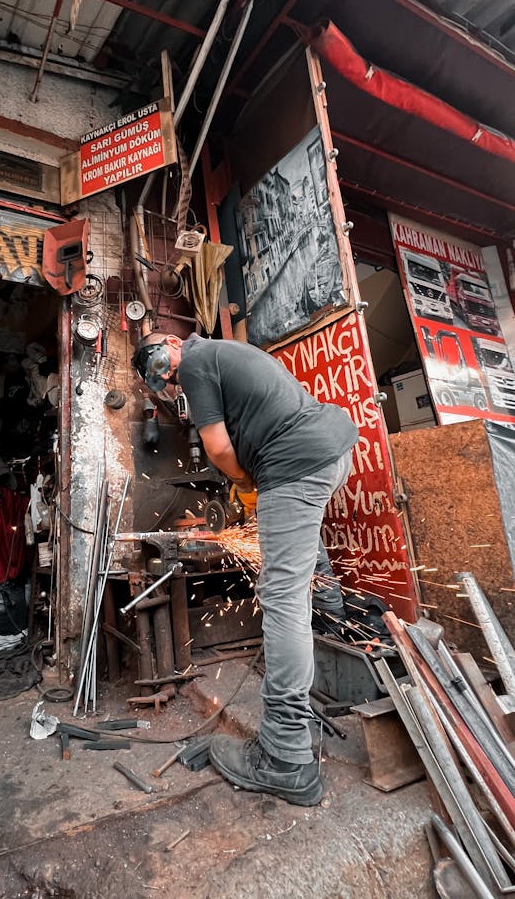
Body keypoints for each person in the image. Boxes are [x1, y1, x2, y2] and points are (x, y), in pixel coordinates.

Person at [132, 331, 358, 806]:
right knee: (304, 563)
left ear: (172, 342)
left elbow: (216, 450)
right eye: (160, 378)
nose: (168, 376)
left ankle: (285, 756)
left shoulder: (194, 360)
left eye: (161, 363)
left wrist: (245, 480)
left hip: (294, 463)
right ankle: (340, 632)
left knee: (281, 596)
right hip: (332, 446)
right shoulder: (223, 357)